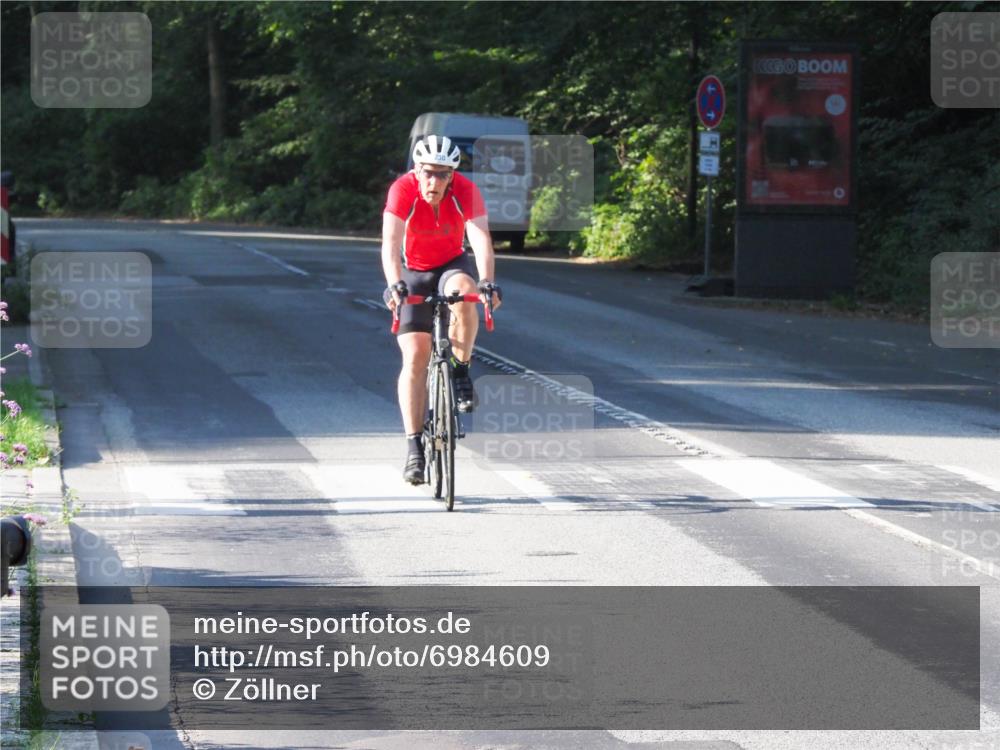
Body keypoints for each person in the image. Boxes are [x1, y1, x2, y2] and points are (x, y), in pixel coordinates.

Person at [382, 135, 502, 484]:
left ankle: (461, 371)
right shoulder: (402, 190)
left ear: (453, 174)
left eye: (443, 174)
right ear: (417, 170)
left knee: (465, 293)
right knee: (416, 356)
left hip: (451, 263)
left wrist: (488, 281)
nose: (434, 181)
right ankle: (414, 448)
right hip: (412, 271)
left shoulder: (466, 190)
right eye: (428, 173)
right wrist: (394, 283)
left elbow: (480, 239)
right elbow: (390, 243)